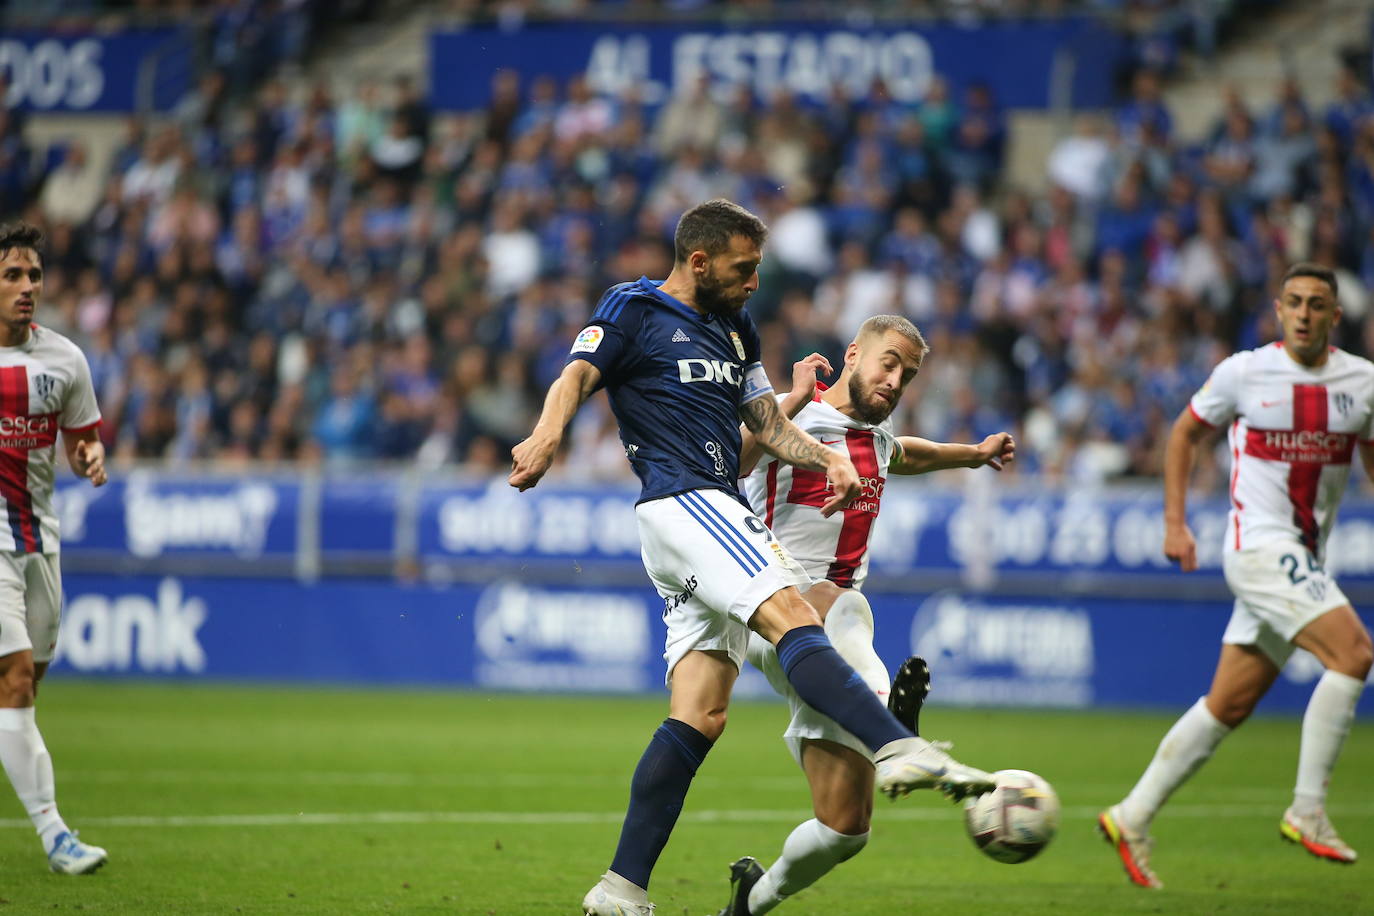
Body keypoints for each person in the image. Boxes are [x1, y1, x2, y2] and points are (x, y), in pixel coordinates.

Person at [507, 199, 995, 916]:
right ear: (698, 262)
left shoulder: (737, 329)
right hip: (686, 499)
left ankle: (620, 891)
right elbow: (578, 374)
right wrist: (549, 434)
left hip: (703, 515)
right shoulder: (634, 306)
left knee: (700, 714)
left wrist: (825, 457)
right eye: (743, 268)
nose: (754, 281)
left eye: (758, 268)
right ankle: (897, 745)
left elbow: (767, 423)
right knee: (797, 610)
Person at [716, 315, 1016, 915]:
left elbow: (909, 454)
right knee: (841, 600)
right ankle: (897, 732)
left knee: (845, 827)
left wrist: (974, 455)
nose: (895, 378)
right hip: (771, 607)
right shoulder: (787, 412)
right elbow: (734, 459)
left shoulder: (875, 441)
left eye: (907, 373)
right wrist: (794, 396)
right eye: (888, 361)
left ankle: (751, 901)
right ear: (853, 354)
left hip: (830, 652)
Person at [1099, 262, 1374, 888]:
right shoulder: (1246, 372)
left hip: (1303, 556)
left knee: (1229, 703)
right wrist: (1175, 522)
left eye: (1317, 305)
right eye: (1295, 302)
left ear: (1336, 316)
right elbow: (1184, 434)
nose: (1305, 313)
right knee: (1354, 655)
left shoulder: (1363, 383)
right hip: (1258, 548)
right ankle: (1307, 810)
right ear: (1279, 310)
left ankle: (1131, 814)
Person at [0, 223, 110, 874]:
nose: (26, 287)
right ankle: (55, 834)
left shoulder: (65, 359)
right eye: (12, 275)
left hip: (39, 540)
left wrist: (91, 456)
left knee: (24, 686)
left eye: (34, 275)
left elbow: (82, 442)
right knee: (13, 678)